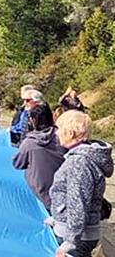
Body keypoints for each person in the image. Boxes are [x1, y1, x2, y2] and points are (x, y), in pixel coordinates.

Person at [45, 110, 113, 257]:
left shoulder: (79, 162)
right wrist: (57, 217)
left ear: (70, 133)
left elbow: (78, 203)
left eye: (58, 129)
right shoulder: (80, 158)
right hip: (75, 232)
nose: (56, 133)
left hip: (78, 237)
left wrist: (70, 241)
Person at [12, 104, 64, 211]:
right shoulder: (61, 139)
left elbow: (18, 164)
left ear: (33, 120)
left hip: (37, 193)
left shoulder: (30, 143)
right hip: (60, 192)